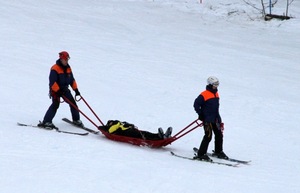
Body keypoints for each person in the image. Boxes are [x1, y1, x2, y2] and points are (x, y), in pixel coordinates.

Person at [38, 51, 83, 129]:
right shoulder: (55, 68)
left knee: (73, 104)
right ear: (61, 59)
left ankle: (76, 120)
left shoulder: (68, 68)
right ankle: (46, 121)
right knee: (55, 105)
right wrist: (58, 91)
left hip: (64, 89)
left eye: (67, 59)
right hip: (55, 90)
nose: (66, 61)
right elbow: (52, 82)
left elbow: (72, 80)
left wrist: (76, 90)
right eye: (65, 59)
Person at [193, 76, 228, 161]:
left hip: (215, 118)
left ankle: (218, 151)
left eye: (217, 85)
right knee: (208, 136)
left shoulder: (216, 93)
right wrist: (200, 114)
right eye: (215, 85)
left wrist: (219, 119)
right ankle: (201, 154)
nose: (216, 87)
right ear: (210, 84)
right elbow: (196, 104)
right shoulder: (204, 94)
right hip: (207, 119)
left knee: (219, 134)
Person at [99, 120, 173, 140]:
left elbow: (128, 124)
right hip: (127, 133)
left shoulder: (119, 124)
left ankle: (161, 136)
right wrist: (118, 123)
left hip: (131, 131)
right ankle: (159, 137)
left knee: (145, 133)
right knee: (142, 136)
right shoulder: (112, 127)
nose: (112, 122)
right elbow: (110, 131)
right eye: (110, 122)